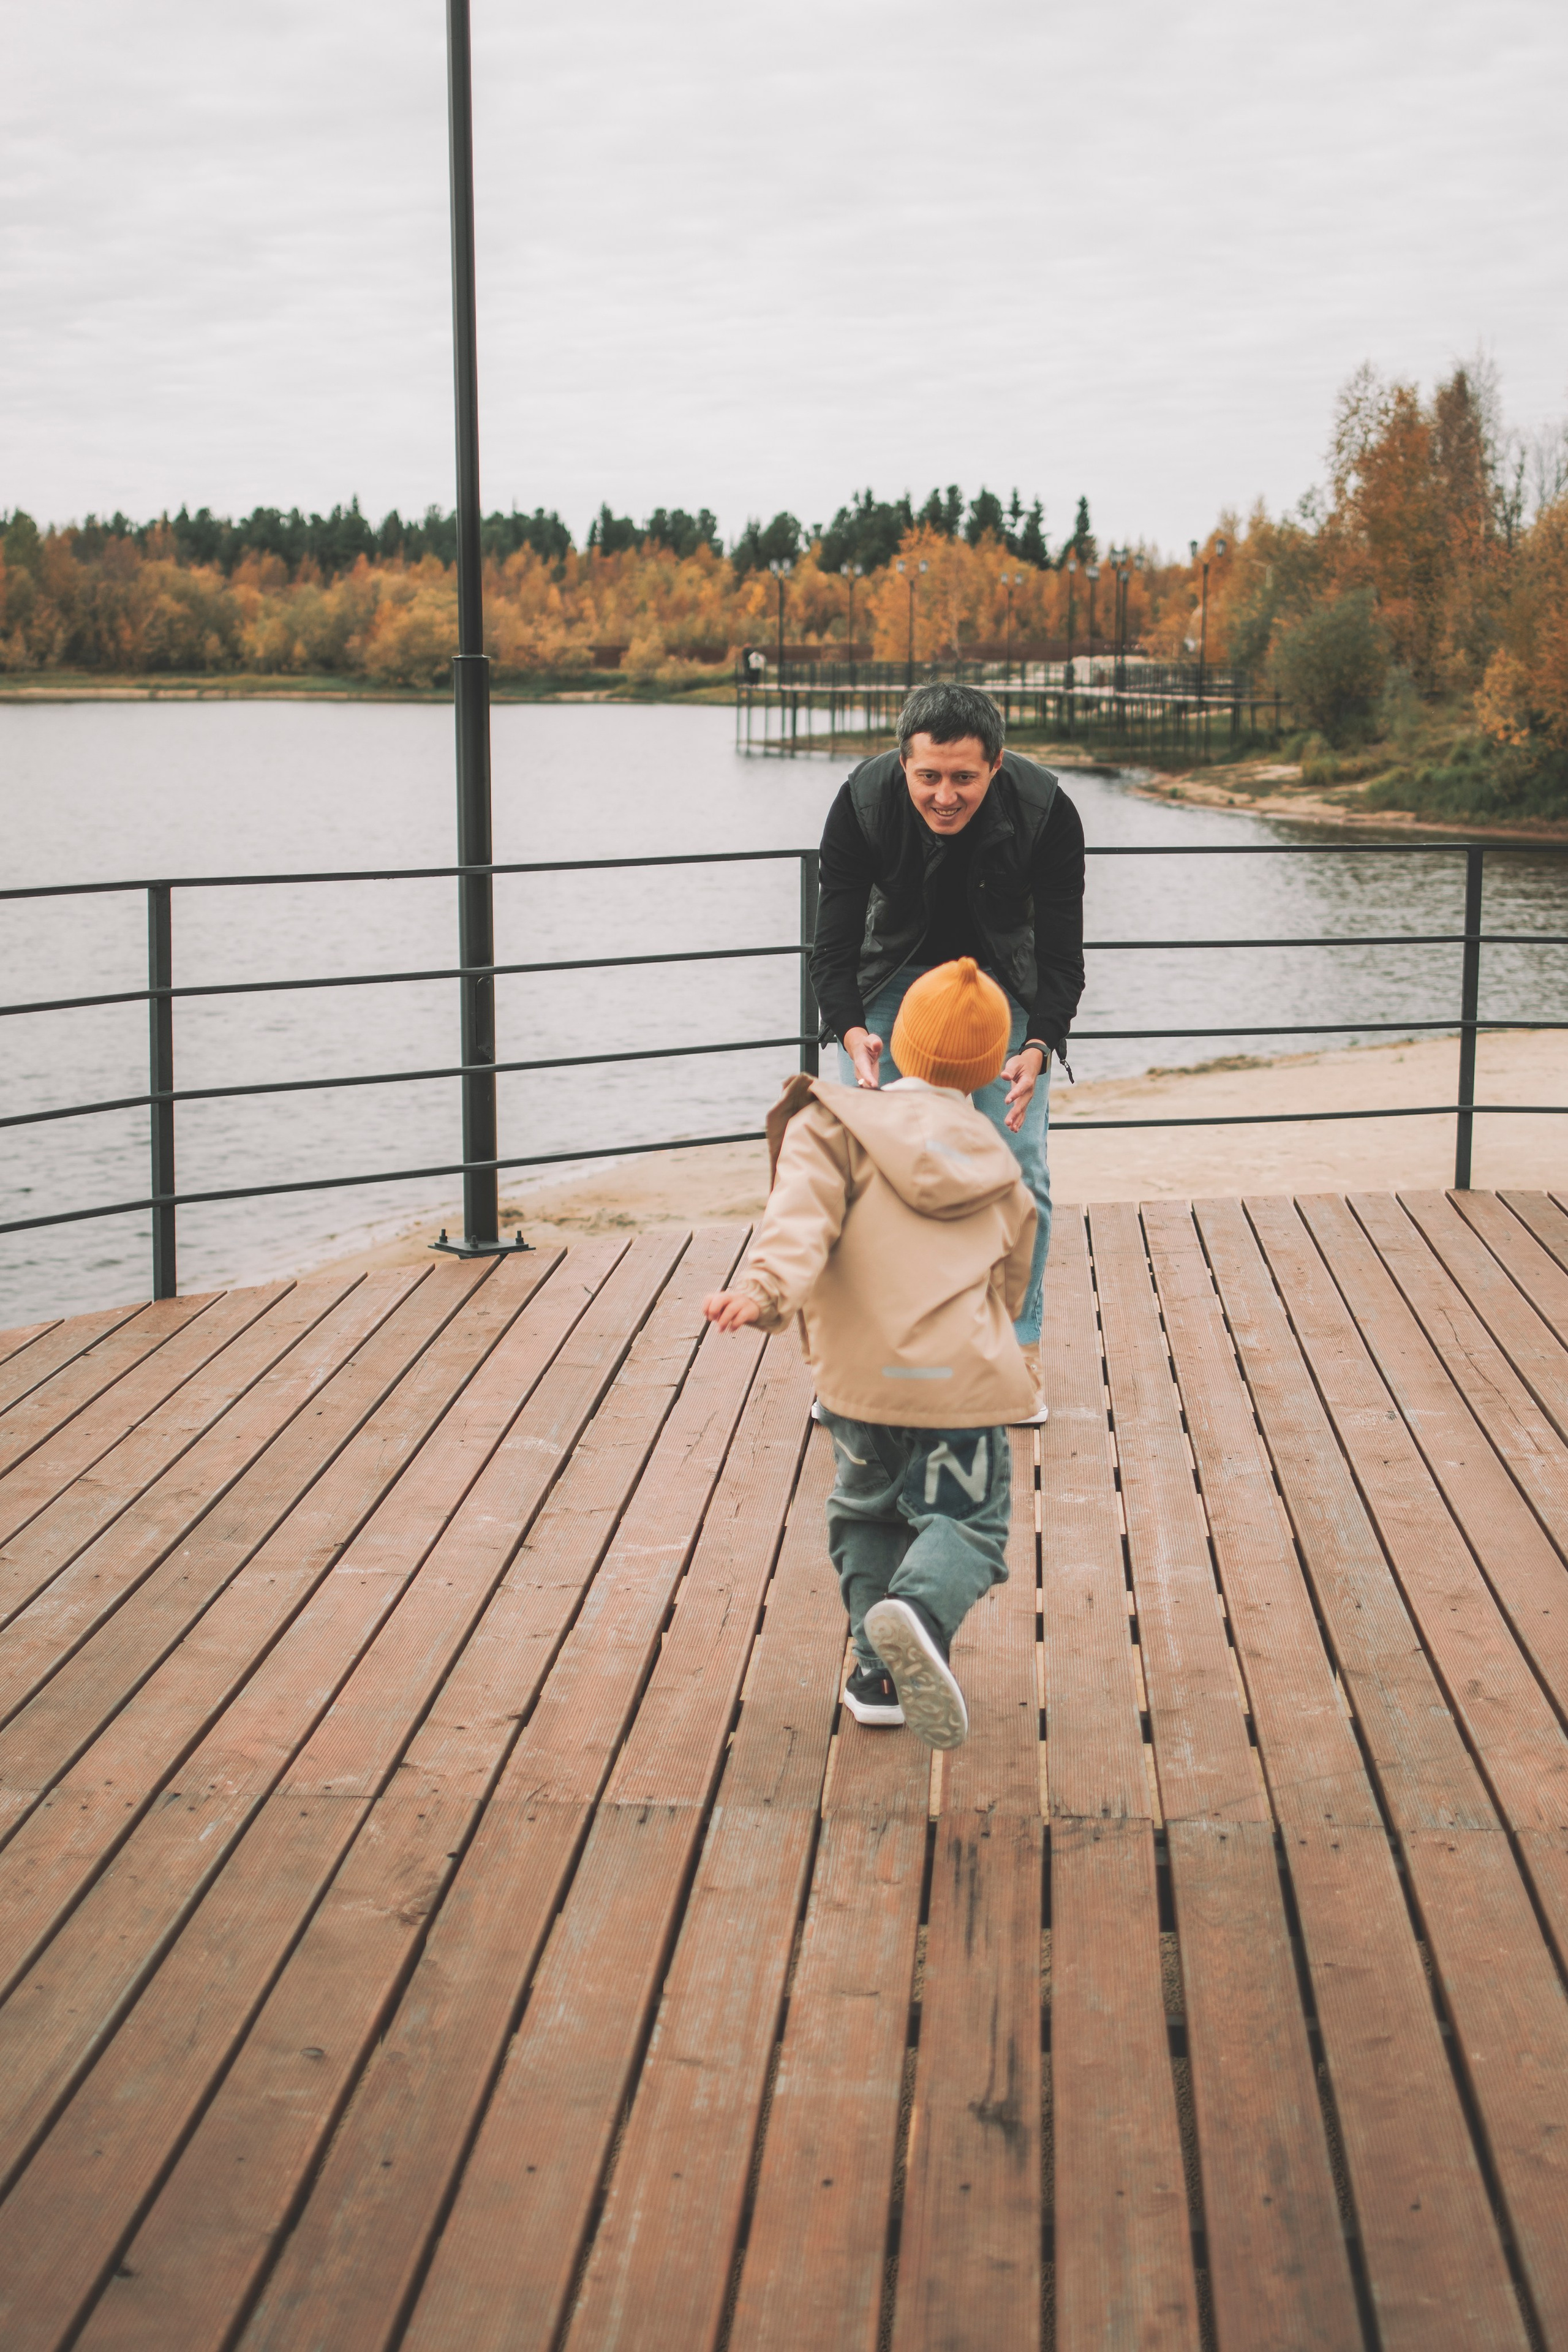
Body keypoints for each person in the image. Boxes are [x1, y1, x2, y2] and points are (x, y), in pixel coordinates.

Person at [703, 958, 1035, 1749]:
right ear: (988, 1069)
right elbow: (1013, 1278)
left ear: (897, 1042)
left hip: (862, 1383)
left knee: (867, 1512)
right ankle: (917, 1612)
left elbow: (798, 1222)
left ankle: (876, 1676)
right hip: (957, 1385)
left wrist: (763, 1292)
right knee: (968, 1522)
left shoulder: (834, 1126)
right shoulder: (996, 1160)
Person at [809, 680, 1085, 1411]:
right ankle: (858, 1363)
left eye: (964, 777)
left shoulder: (1047, 810)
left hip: (1001, 987)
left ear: (996, 765)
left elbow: (1062, 958)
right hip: (891, 983)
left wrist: (1040, 1045)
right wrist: (851, 1031)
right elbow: (831, 950)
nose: (944, 796)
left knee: (1019, 1170)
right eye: (927, 776)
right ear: (902, 763)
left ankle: (1016, 1355)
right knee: (869, 1174)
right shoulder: (861, 802)